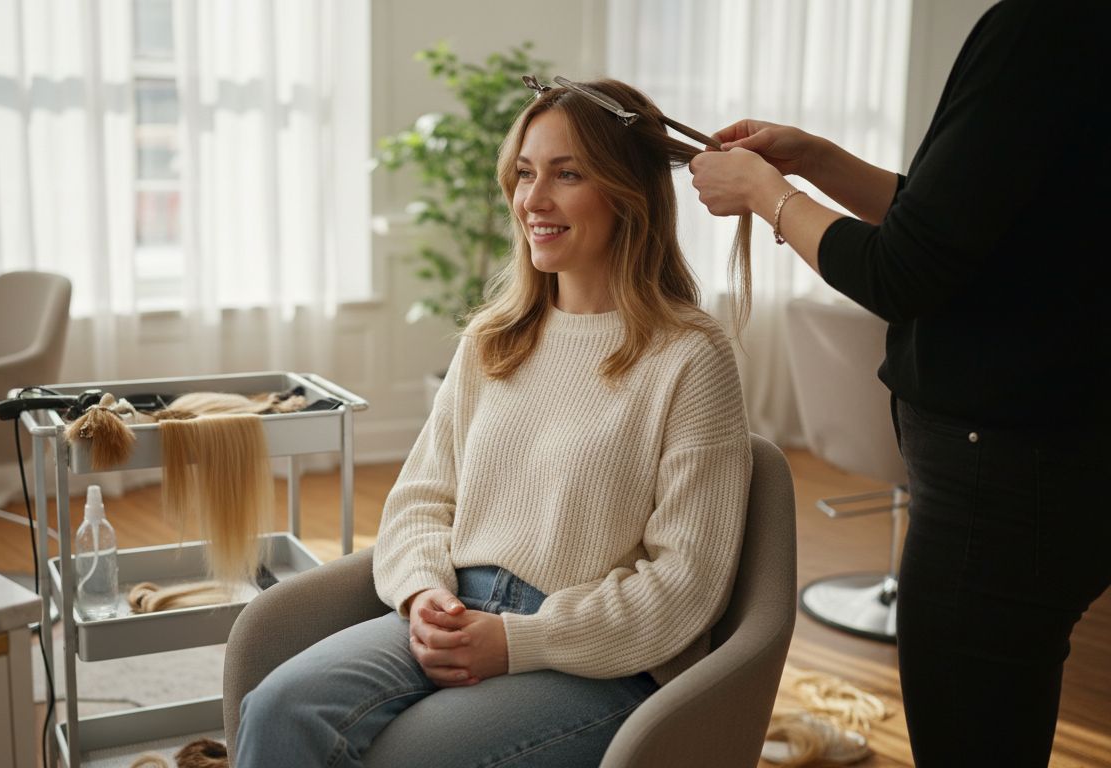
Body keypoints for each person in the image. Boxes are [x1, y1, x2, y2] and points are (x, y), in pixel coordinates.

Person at [235, 77, 755, 767]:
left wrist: (517, 641)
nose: (532, 201)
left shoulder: (691, 357)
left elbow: (684, 584)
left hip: (601, 659)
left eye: (567, 175)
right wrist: (423, 595)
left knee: (418, 757)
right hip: (459, 605)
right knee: (278, 707)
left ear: (628, 193)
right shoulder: (494, 339)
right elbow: (422, 499)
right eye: (524, 173)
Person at [688, 0, 1111, 765]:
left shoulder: (1045, 25)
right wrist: (814, 160)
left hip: (1006, 482)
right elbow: (965, 229)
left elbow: (901, 270)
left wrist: (762, 195)